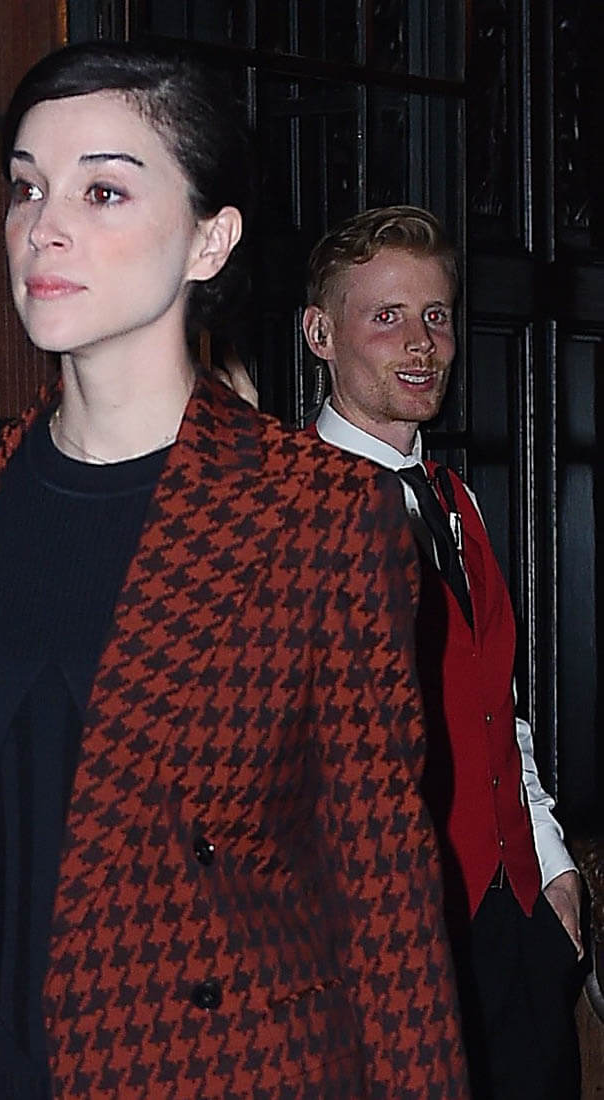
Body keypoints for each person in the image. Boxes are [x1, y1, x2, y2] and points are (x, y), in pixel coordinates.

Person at [0, 47, 468, 1099]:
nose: (45, 227)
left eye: (103, 191)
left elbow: (385, 894)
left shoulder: (319, 514)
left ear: (208, 240)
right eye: (27, 188)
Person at [296, 205, 585, 1099]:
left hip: (516, 925)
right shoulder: (285, 514)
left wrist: (555, 867)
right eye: (386, 316)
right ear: (320, 334)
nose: (421, 344)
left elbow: (500, 708)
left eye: (435, 316)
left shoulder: (456, 499)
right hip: (377, 951)